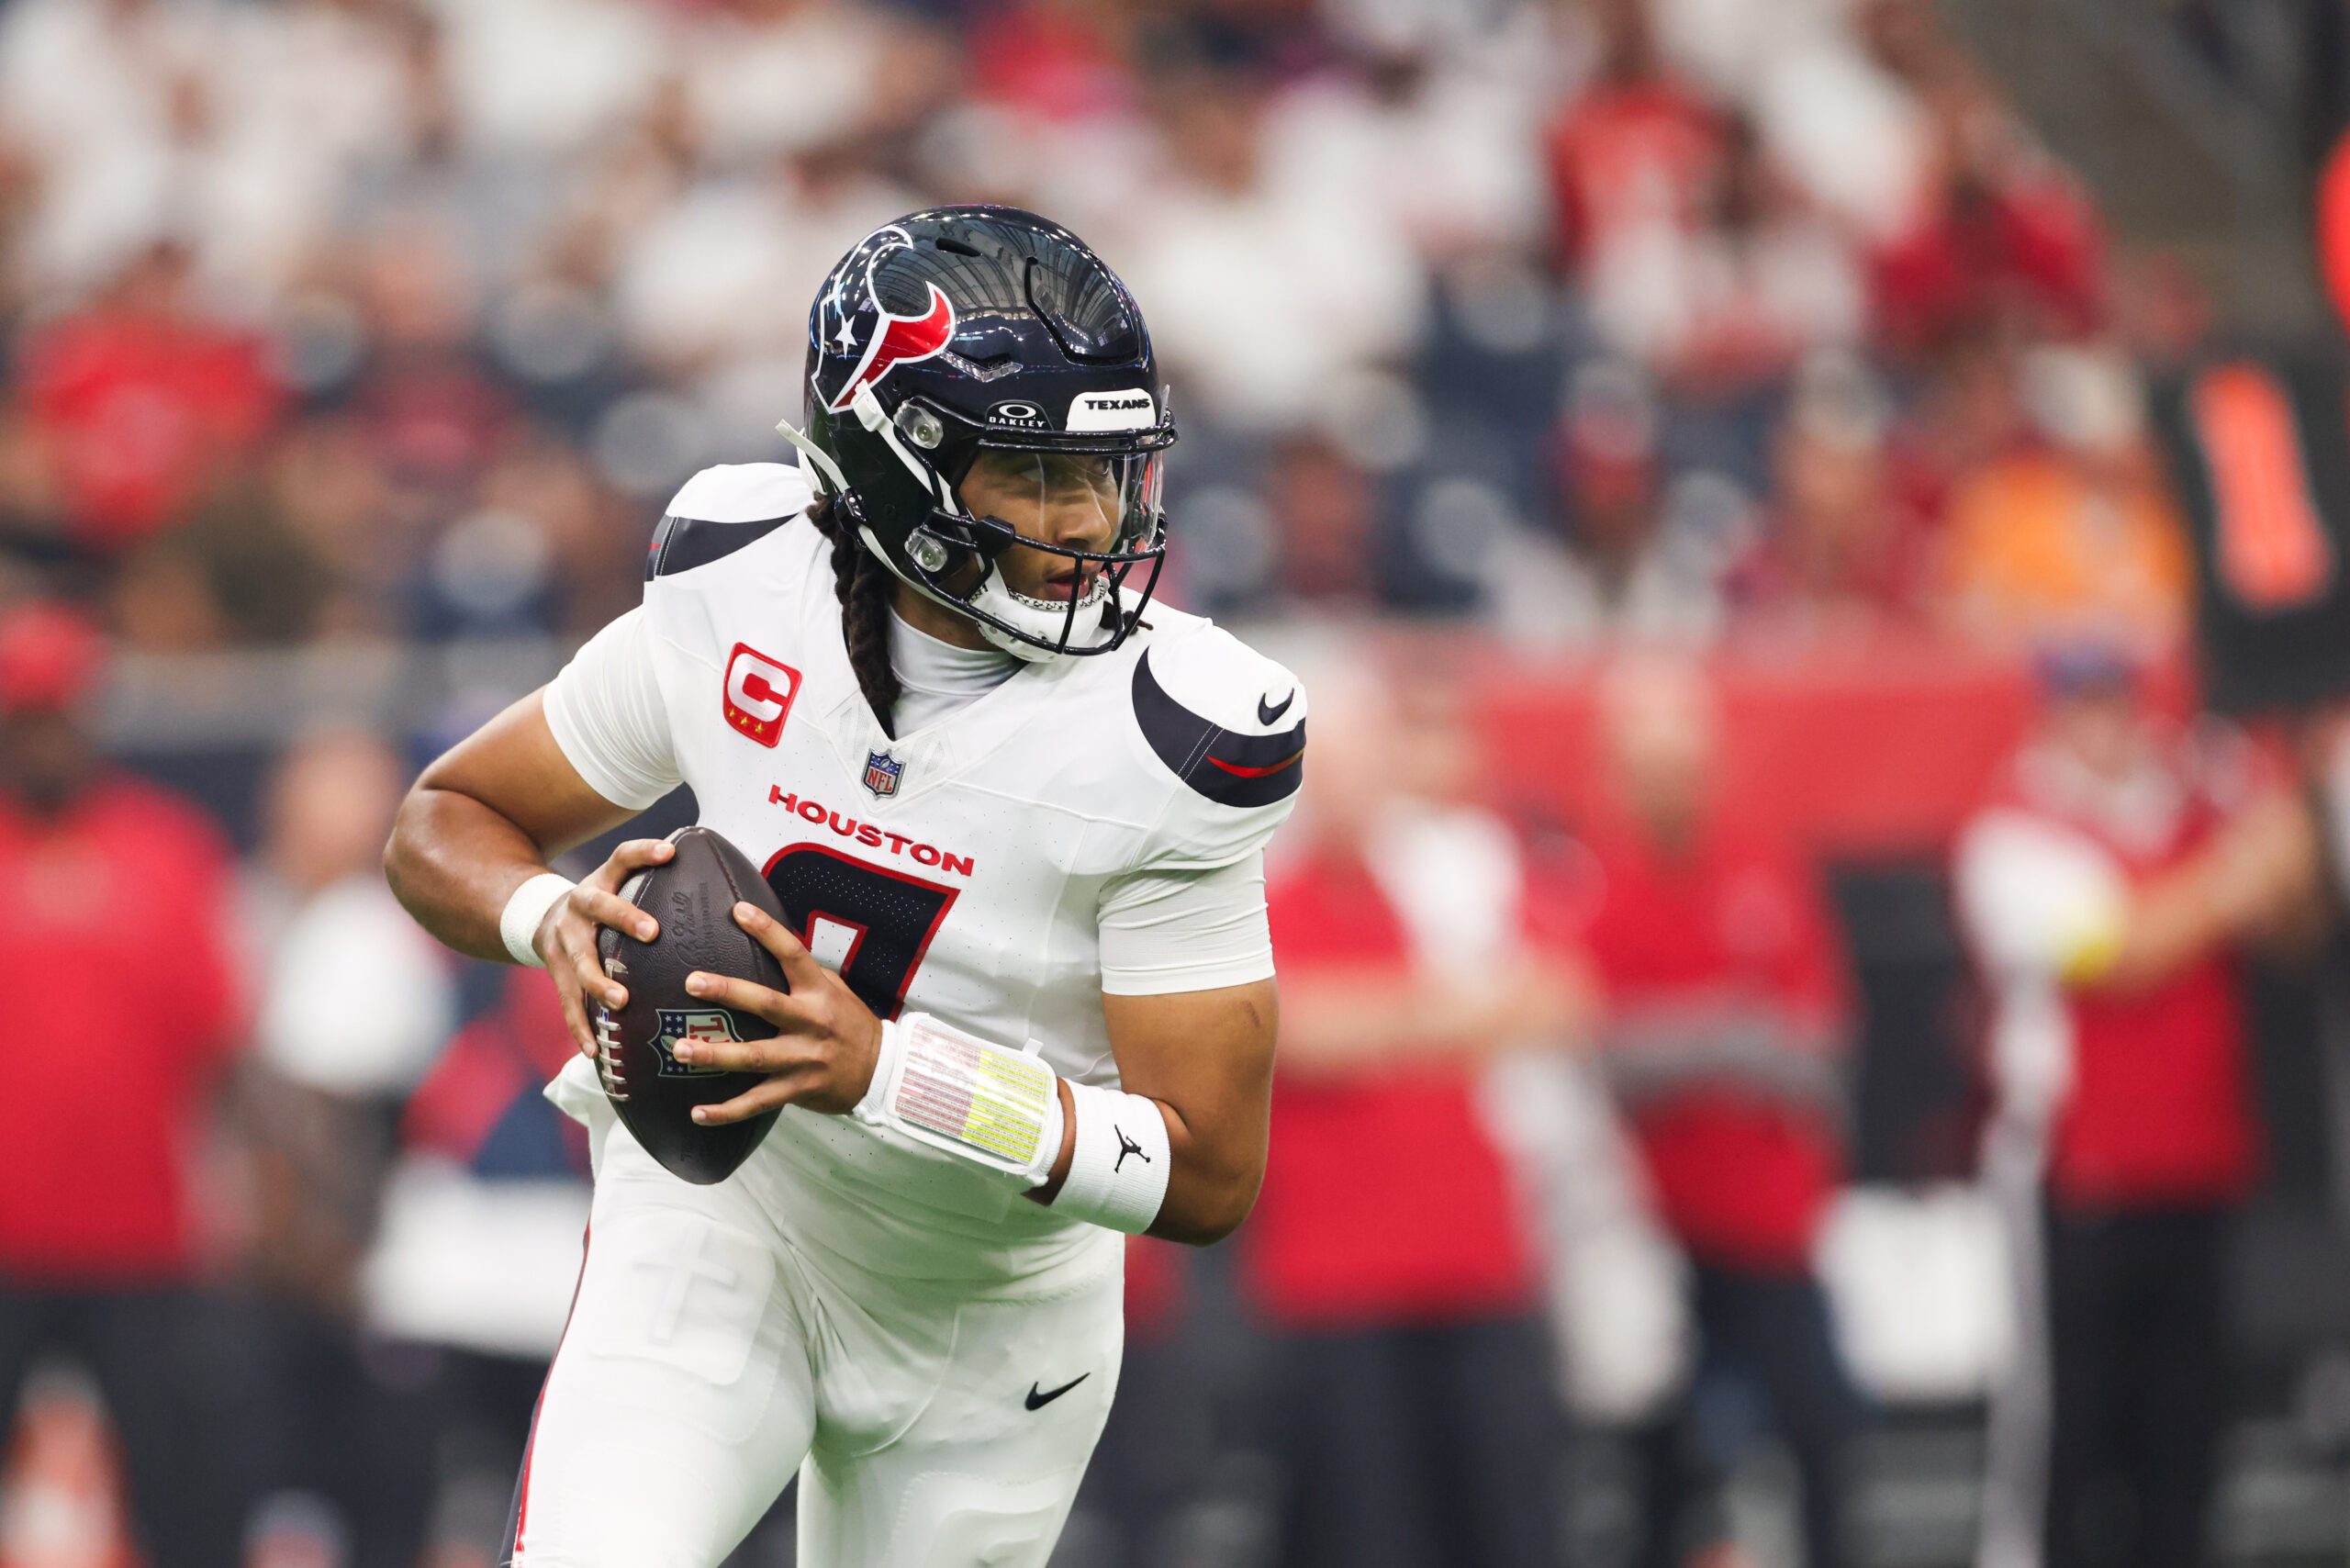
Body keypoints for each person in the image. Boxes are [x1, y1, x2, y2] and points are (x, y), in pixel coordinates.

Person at [383, 206, 1308, 1568]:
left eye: (1109, 473)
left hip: (990, 1314)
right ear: (892, 471)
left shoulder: (1173, 737)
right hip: (725, 1223)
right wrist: (549, 916)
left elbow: (1211, 1170)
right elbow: (446, 819)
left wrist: (892, 1070)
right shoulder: (739, 589)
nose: (1090, 522)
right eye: (1037, 476)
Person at [1958, 644, 2322, 1568]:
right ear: (2047, 716)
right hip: (2078, 1179)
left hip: (2197, 1165)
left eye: (2116, 700)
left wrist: (2277, 836)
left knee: (2186, 1440)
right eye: (2082, 704)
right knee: (2074, 1435)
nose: (2106, 723)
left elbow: (2297, 917)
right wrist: (2237, 871)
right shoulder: (2011, 830)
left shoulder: (2191, 801)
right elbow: (2116, 952)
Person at [1244, 666, 1577, 1568]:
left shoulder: (1451, 878)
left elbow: (1562, 995)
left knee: (1510, 1521)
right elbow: (1285, 1028)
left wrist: (1379, 1018)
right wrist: (1452, 1011)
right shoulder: (1262, 893)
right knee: (1371, 1532)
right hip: (1337, 1282)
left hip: (1478, 1261)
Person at [1575, 653, 1862, 1568]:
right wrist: (1732, 1031)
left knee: (1821, 1442)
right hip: (1655, 1232)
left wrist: (1683, 1041)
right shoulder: (1598, 890)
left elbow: (1819, 1048)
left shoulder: (1763, 869)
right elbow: (1602, 1059)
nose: (1671, 788)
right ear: (1617, 776)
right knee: (1661, 1467)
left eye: (1683, 765)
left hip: (1773, 1224)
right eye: (1649, 768)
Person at [0, 599, 256, 1568]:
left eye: (57, 715)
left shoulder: (168, 850)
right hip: (3, 1244)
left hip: (143, 1244)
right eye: (24, 718)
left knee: (181, 1500)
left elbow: (222, 1041)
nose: (43, 738)